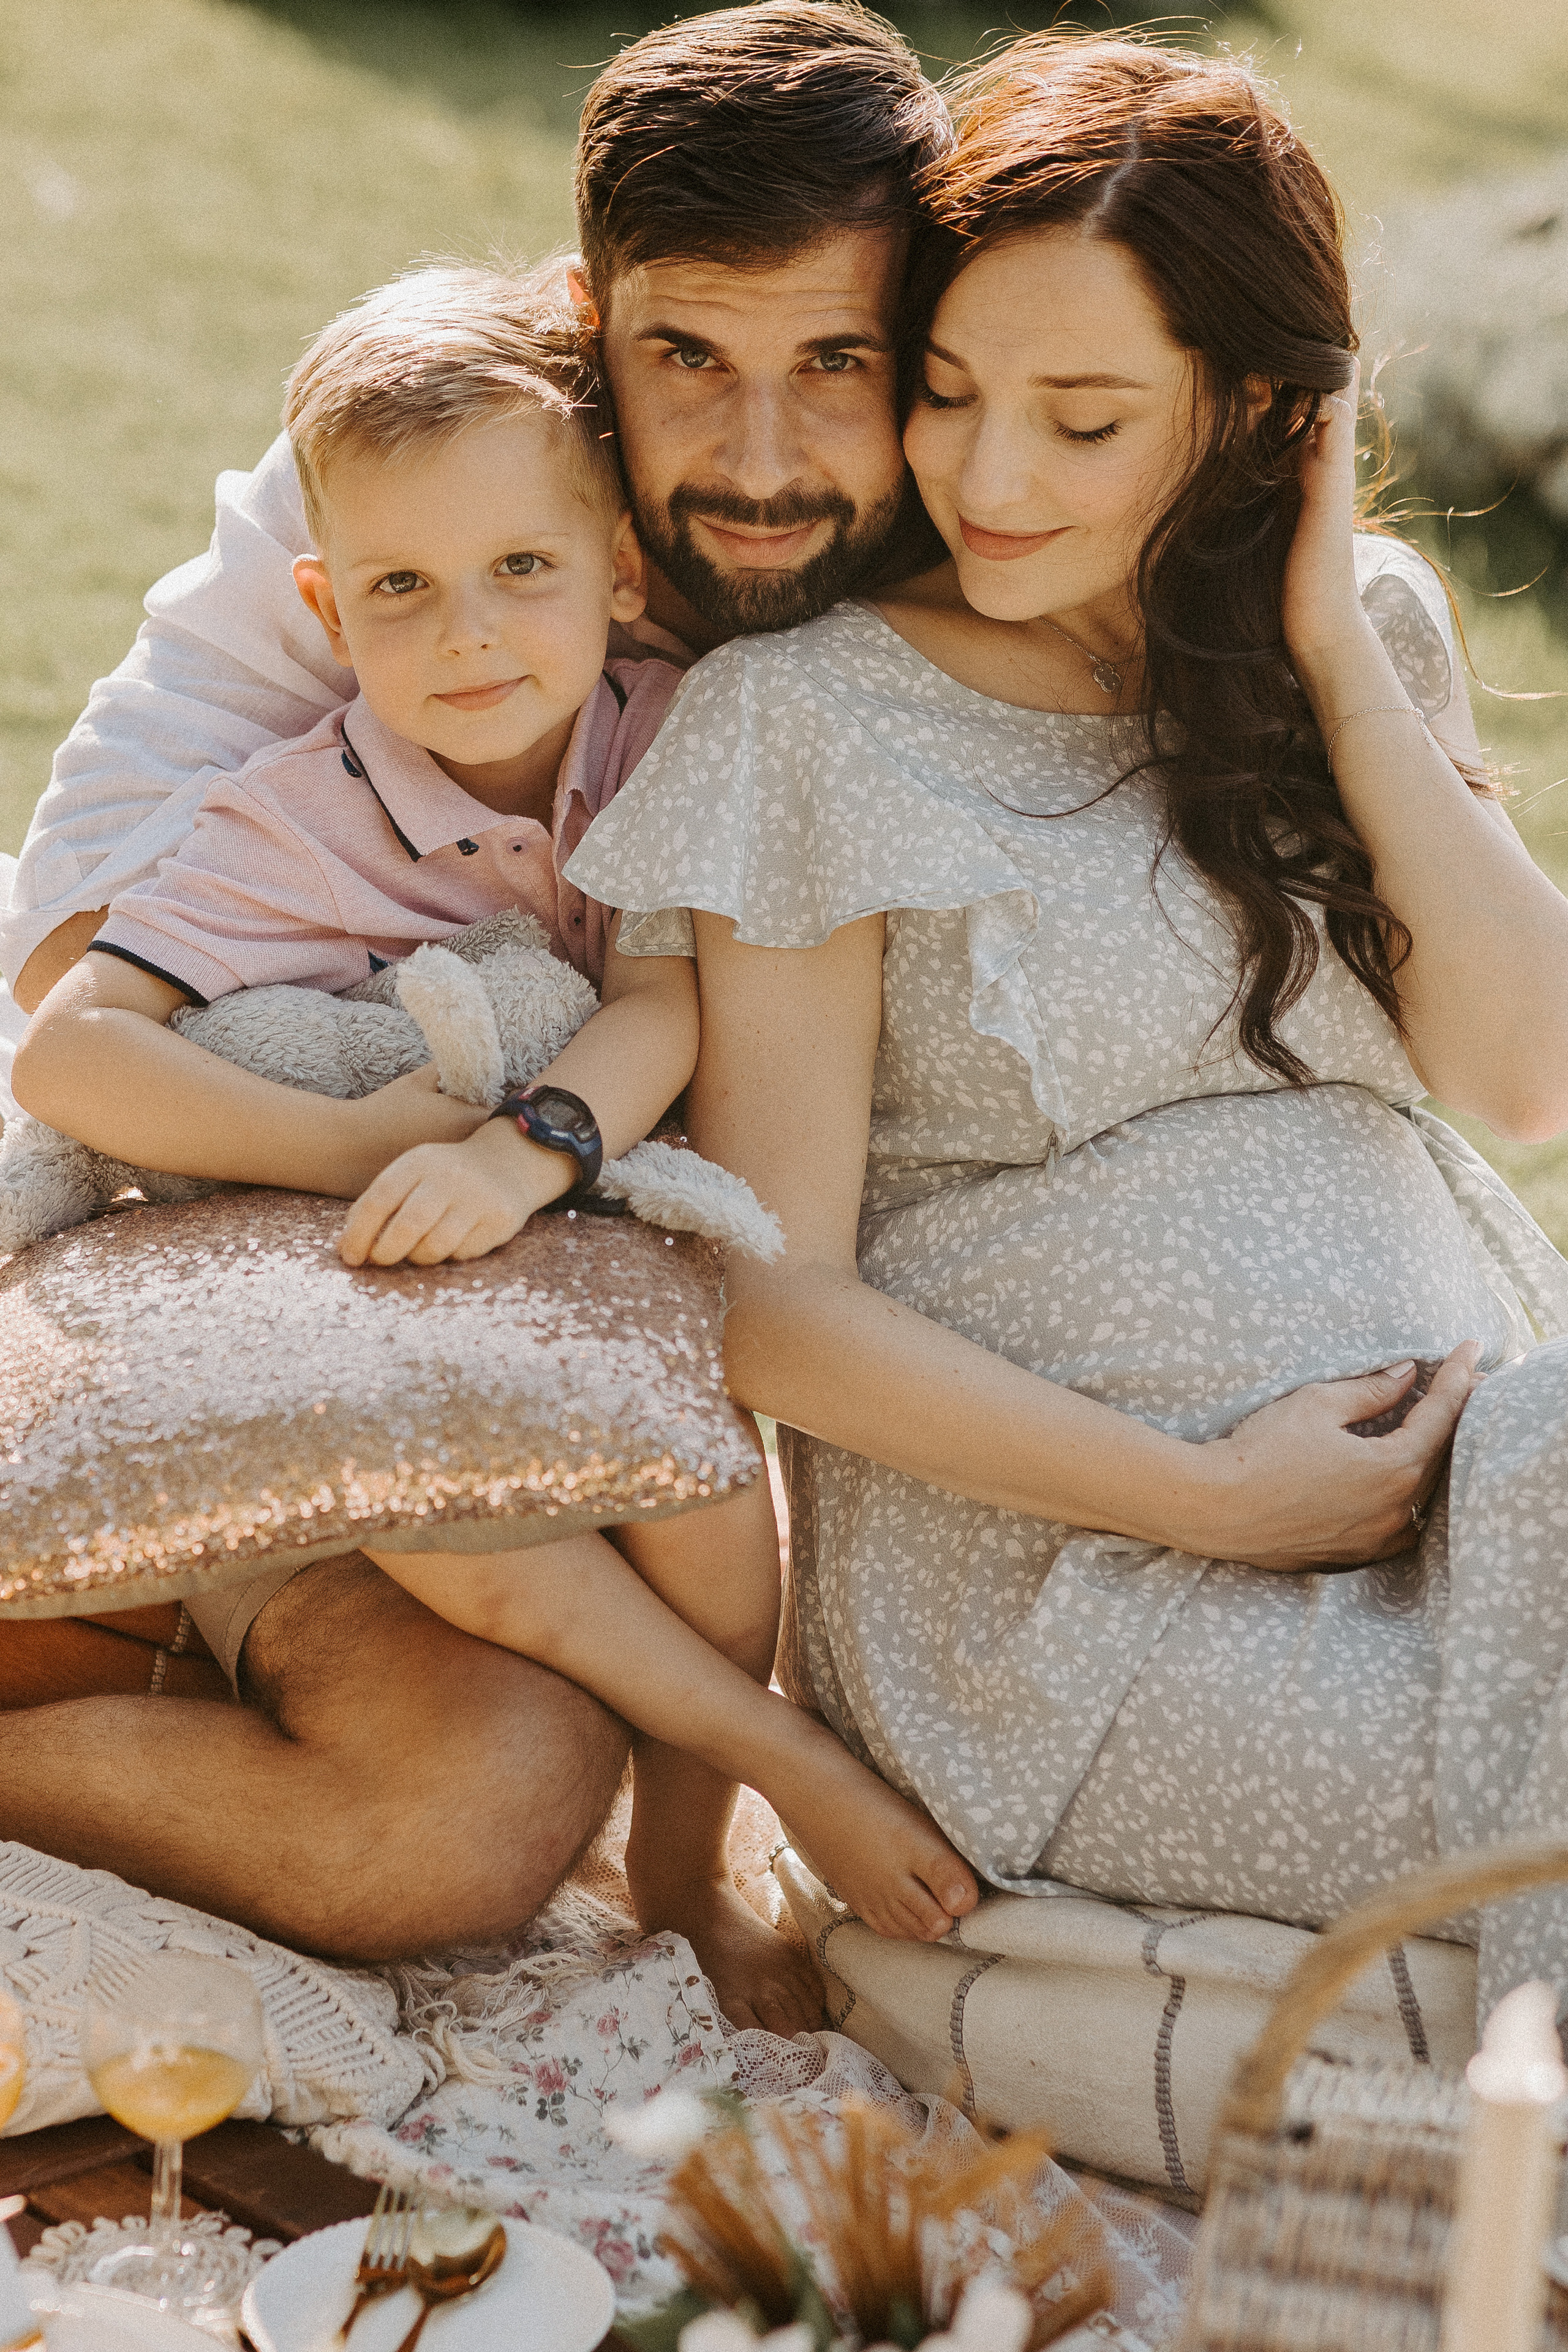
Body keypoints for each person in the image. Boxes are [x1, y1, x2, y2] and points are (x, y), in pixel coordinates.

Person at [564, 33, 1568, 2024]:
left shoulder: (1347, 637)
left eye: (1086, 422)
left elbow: (1528, 1081)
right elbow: (769, 1302)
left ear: (1254, 411)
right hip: (1067, 1611)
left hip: (1485, 1499)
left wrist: (1337, 670)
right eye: (946, 394)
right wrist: (1209, 1498)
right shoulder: (811, 724)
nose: (991, 478)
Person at [0, 2, 949, 1996]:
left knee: (525, 1745)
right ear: (600, 336)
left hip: (556, 1271)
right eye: (687, 354)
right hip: (302, 1270)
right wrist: (372, 1140)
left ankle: (700, 1848)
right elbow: (71, 1000)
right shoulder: (398, 514)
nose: (759, 446)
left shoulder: (717, 688)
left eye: (835, 358)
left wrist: (539, 1144)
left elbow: (676, 995)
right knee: (451, 1793)